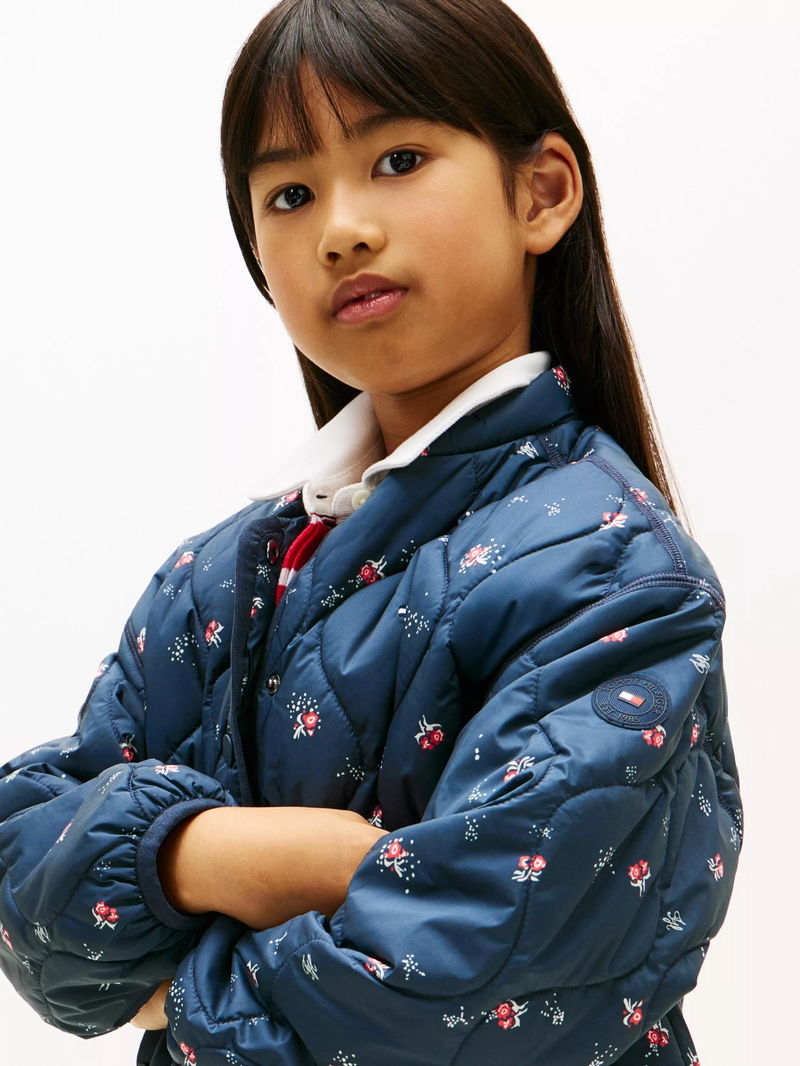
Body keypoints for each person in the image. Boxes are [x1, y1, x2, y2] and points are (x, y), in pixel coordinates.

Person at [0, 1, 743, 1064]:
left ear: (540, 192)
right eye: (290, 194)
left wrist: (168, 997)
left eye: (398, 159)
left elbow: (469, 979)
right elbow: (26, 875)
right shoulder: (218, 576)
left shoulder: (615, 572)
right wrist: (212, 853)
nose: (340, 228)